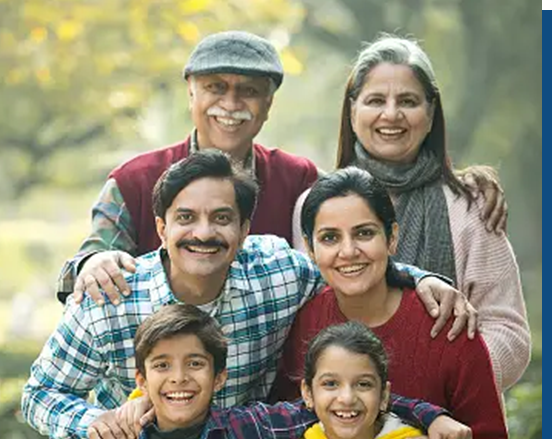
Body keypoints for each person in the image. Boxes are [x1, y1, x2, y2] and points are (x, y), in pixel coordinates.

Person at [21, 150, 471, 439]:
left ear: (244, 228)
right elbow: (40, 395)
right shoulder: (112, 298)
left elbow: (348, 267)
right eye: (185, 218)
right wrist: (97, 425)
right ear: (161, 228)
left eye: (221, 218)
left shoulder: (276, 272)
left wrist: (420, 276)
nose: (203, 233)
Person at [58, 31, 505, 308]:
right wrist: (92, 262)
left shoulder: (299, 182)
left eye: (248, 91)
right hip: (158, 402)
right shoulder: (134, 180)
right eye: (215, 88)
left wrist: (461, 179)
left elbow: (351, 246)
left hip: (267, 416)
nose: (231, 105)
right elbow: (87, 260)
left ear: (268, 104)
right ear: (190, 95)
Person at [273, 168, 517, 439]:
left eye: (364, 233)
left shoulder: (447, 323)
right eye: (329, 238)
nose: (348, 251)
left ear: (391, 239)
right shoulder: (305, 322)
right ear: (310, 250)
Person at [70, 304, 471, 439]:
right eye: (162, 366)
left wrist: (430, 415)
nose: (179, 378)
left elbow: (338, 400)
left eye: (195, 363)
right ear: (141, 379)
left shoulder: (250, 432)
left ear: (220, 376)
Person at [330, 34, 530, 393]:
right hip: (342, 421)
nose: (391, 114)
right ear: (352, 109)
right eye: (376, 100)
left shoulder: (471, 206)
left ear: (431, 111)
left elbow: (509, 333)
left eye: (407, 101)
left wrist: (443, 383)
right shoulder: (315, 207)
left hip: (452, 428)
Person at [258, 322, 467, 439]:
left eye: (363, 384)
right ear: (307, 393)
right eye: (330, 383)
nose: (347, 398)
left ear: (384, 395)